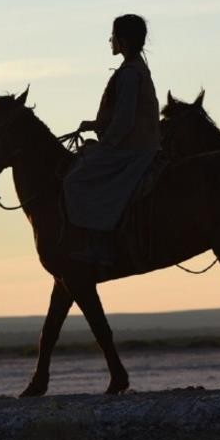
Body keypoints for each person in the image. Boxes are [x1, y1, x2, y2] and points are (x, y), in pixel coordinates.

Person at [63, 14, 161, 265]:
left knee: (76, 180)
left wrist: (105, 145)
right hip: (137, 144)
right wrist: (96, 125)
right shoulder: (137, 67)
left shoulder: (129, 73)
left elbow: (125, 121)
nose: (110, 41)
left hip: (131, 149)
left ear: (123, 41)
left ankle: (99, 242)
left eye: (113, 36)